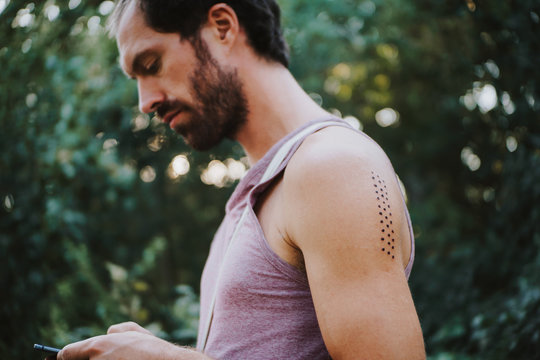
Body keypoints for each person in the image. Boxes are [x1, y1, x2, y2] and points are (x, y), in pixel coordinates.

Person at [56, 0, 426, 359]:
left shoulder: (333, 167)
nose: (145, 101)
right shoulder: (248, 206)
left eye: (151, 64)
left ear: (222, 26)